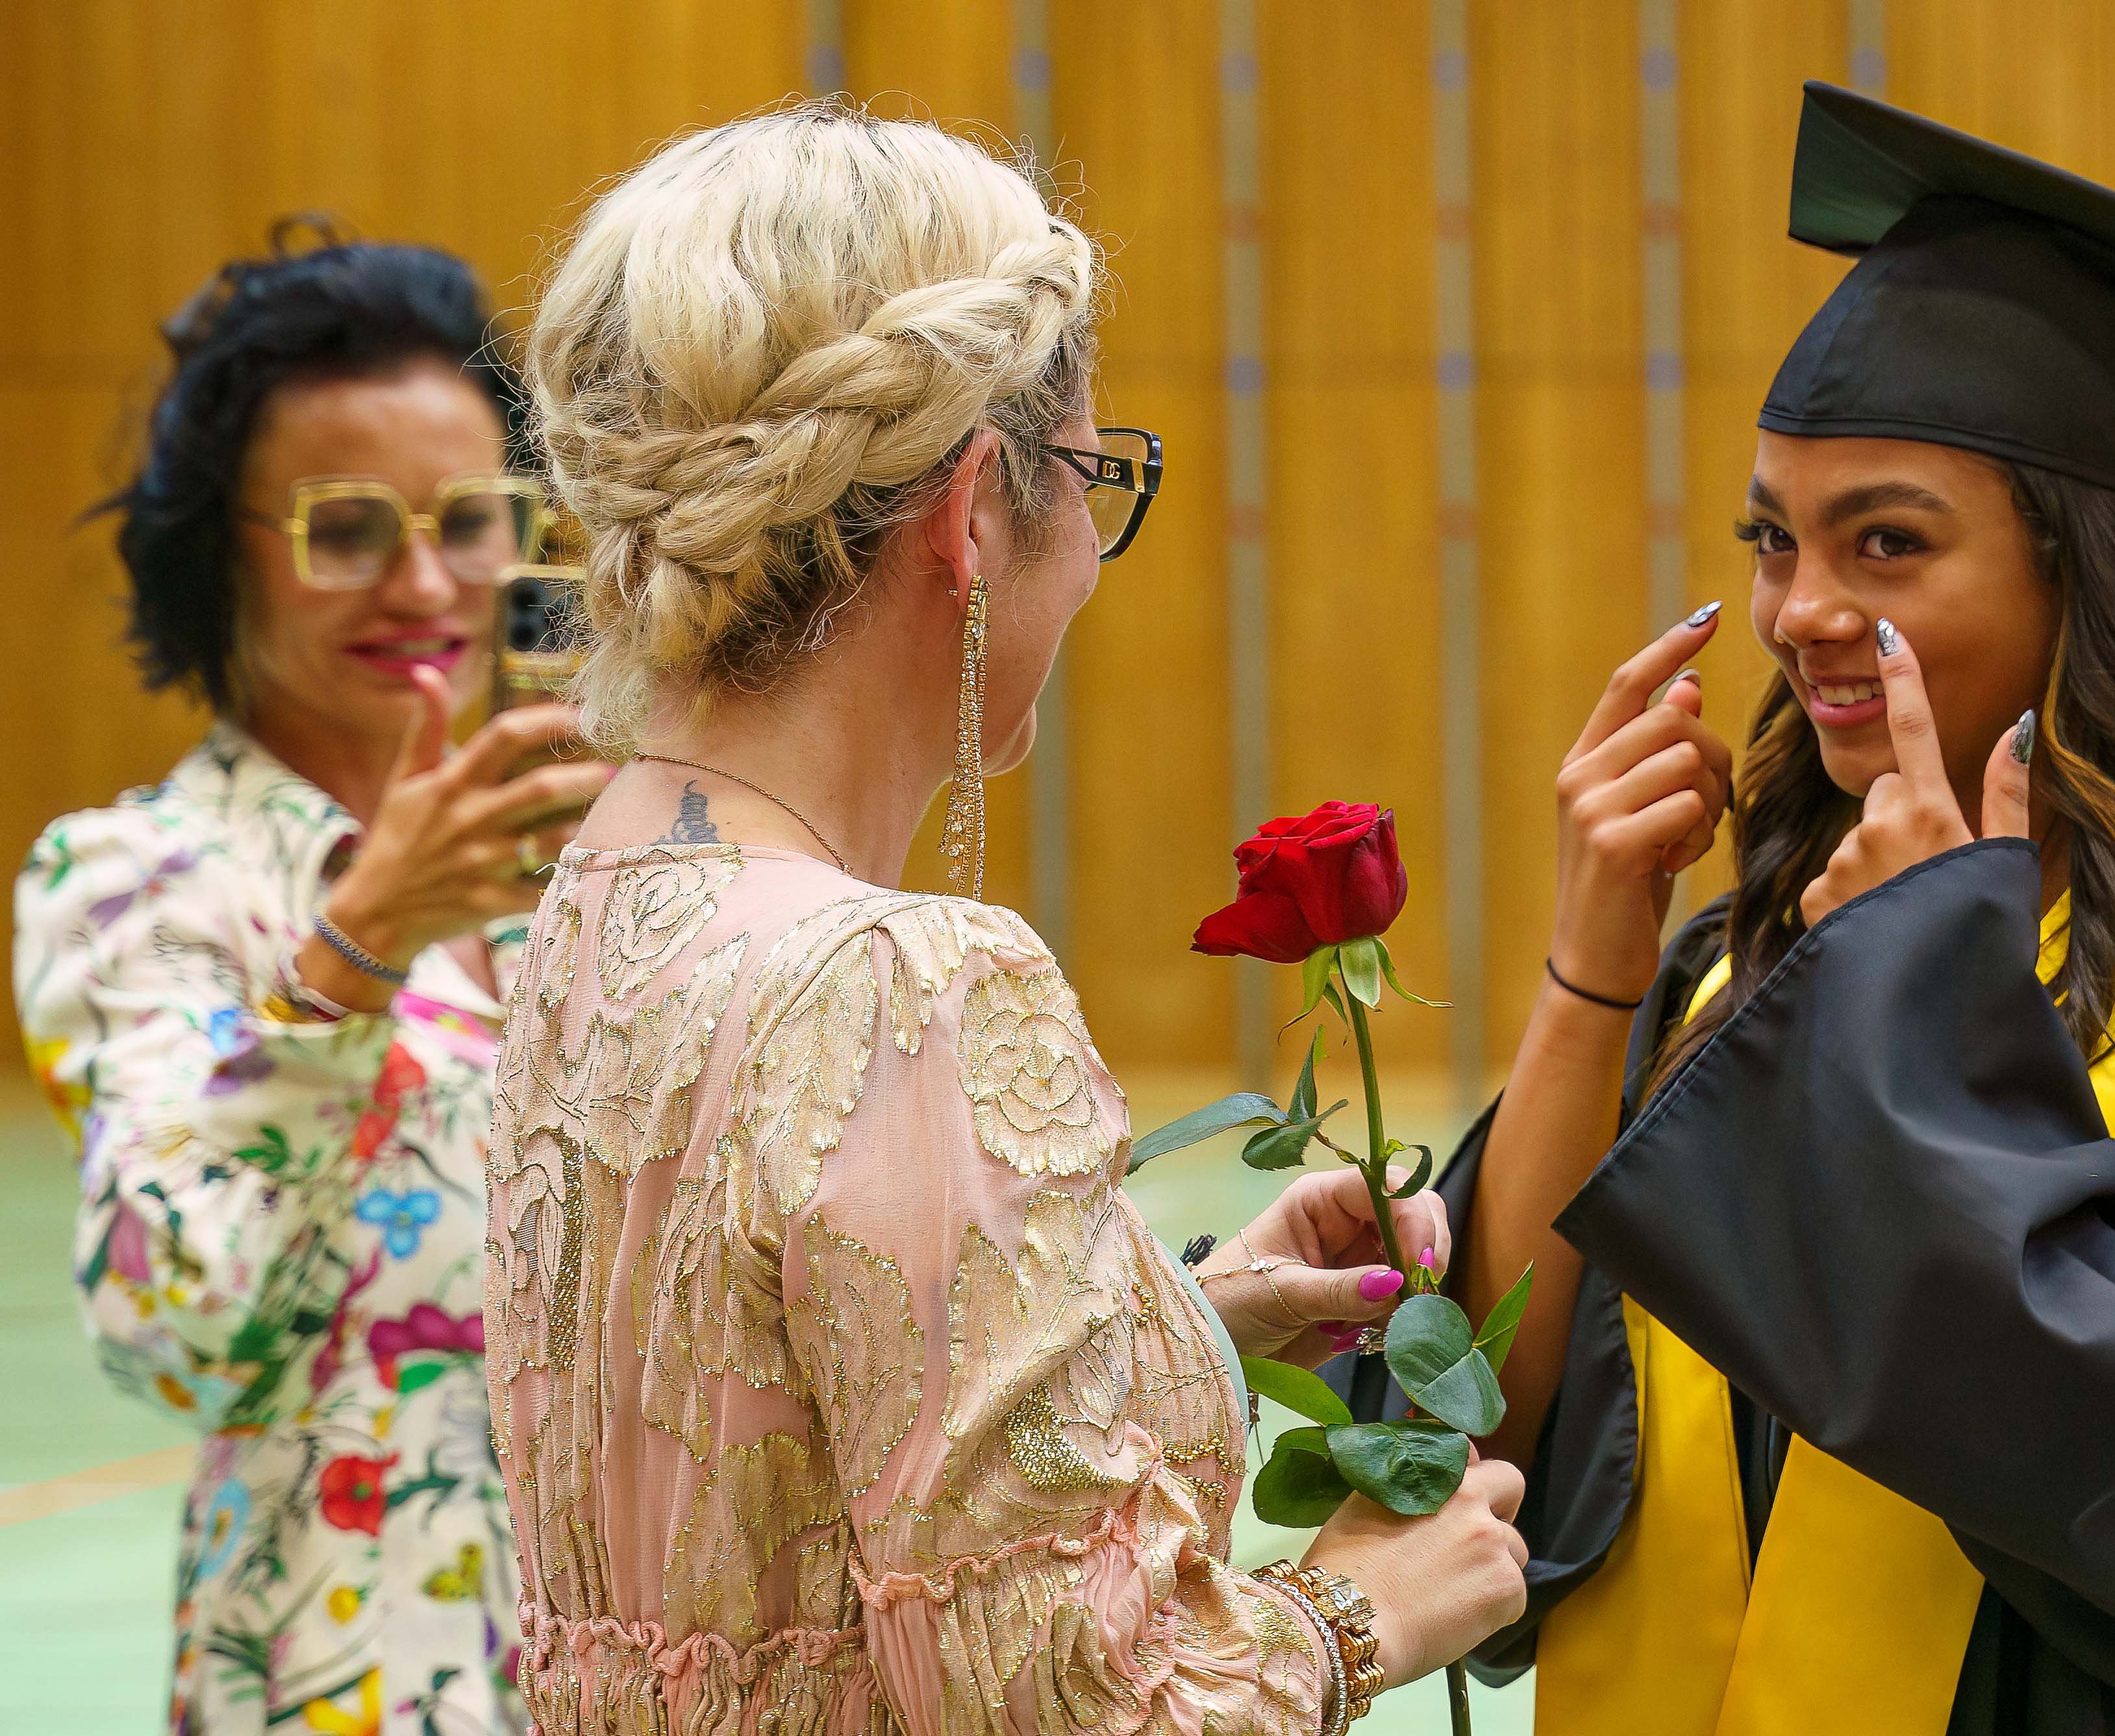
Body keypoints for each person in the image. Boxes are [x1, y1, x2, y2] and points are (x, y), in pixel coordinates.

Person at [1394, 84, 2115, 1735]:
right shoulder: (1738, 967)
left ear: (2087, 572)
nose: (1801, 611)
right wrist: (1596, 978)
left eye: (1888, 542)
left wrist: (1923, 997)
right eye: (1774, 539)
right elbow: (1484, 1427)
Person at [492, 107, 1528, 1736]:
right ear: (973, 511)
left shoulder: (595, 891)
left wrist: (1161, 1307)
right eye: (1093, 478)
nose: (1095, 564)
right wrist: (1354, 1608)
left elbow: (776, 1470)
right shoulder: (904, 984)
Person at [14, 223, 611, 1735]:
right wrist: (349, 962)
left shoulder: (603, 864)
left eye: (472, 519)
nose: (425, 581)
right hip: (343, 1686)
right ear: (222, 550)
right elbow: (182, 1330)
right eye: (348, 528)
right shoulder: (140, 880)